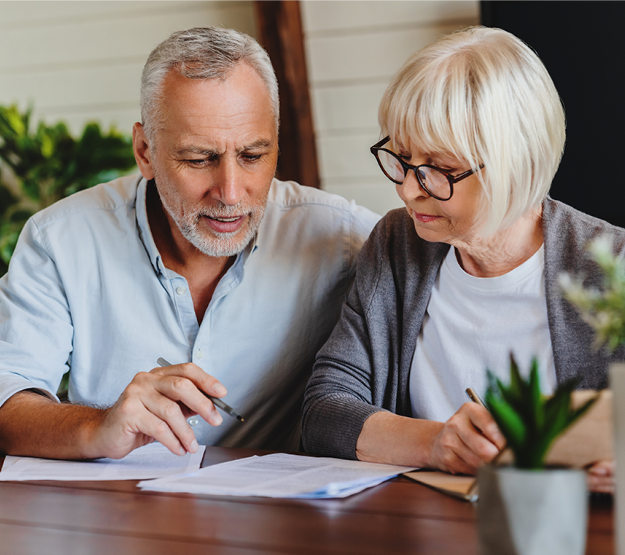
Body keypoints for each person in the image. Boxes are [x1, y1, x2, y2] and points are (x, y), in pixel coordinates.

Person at [0, 27, 379, 460]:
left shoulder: (343, 237)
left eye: (253, 156)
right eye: (199, 159)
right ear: (145, 151)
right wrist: (98, 427)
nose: (231, 192)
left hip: (279, 519)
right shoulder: (60, 240)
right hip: (119, 517)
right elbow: (6, 396)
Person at [302, 26, 625, 493]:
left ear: (515, 163)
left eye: (439, 170)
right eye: (402, 159)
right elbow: (324, 411)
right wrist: (435, 442)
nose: (407, 189)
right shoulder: (396, 244)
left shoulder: (624, 269)